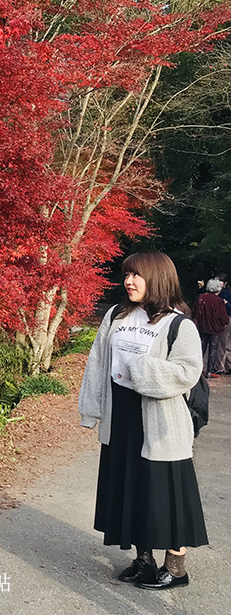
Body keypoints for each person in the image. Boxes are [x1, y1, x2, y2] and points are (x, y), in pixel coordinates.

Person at [78, 251, 207, 590]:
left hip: (160, 419)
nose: (129, 281)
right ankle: (143, 558)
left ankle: (176, 568)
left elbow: (188, 372)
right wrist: (90, 409)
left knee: (164, 491)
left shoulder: (179, 324)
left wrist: (143, 370)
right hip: (121, 415)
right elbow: (97, 362)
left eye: (136, 275)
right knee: (130, 486)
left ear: (158, 278)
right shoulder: (116, 315)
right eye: (126, 275)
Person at [192, 278, 229, 378]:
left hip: (202, 326)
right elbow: (223, 316)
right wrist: (224, 323)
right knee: (213, 349)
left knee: (201, 348)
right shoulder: (218, 300)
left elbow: (194, 310)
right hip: (214, 328)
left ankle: (197, 368)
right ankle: (210, 371)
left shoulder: (201, 297)